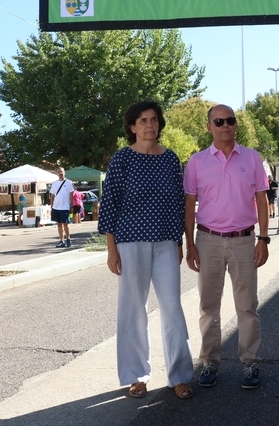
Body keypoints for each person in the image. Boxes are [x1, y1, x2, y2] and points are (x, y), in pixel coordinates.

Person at [98, 100, 193, 400]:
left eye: (153, 120)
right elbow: (109, 204)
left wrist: (179, 241)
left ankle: (179, 376)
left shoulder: (170, 160)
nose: (149, 125)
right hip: (130, 242)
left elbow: (178, 203)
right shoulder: (122, 160)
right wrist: (111, 248)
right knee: (133, 310)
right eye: (142, 120)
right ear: (132, 127)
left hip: (166, 242)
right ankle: (136, 376)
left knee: (173, 309)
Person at [184, 104, 270, 390]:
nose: (225, 125)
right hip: (207, 240)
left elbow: (261, 200)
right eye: (218, 121)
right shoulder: (196, 162)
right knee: (208, 306)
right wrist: (190, 244)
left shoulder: (252, 158)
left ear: (236, 125)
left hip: (245, 241)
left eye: (230, 120)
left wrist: (263, 239)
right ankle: (209, 362)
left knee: (247, 306)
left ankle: (250, 363)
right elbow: (188, 205)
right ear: (209, 126)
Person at [49, 167, 75, 248]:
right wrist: (52, 205)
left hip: (65, 207)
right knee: (58, 224)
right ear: (57, 173)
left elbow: (71, 195)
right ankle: (61, 240)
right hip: (56, 207)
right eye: (58, 172)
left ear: (64, 172)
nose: (60, 173)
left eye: (61, 171)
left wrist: (71, 206)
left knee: (65, 224)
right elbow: (52, 195)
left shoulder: (69, 183)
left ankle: (68, 239)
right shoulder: (54, 183)